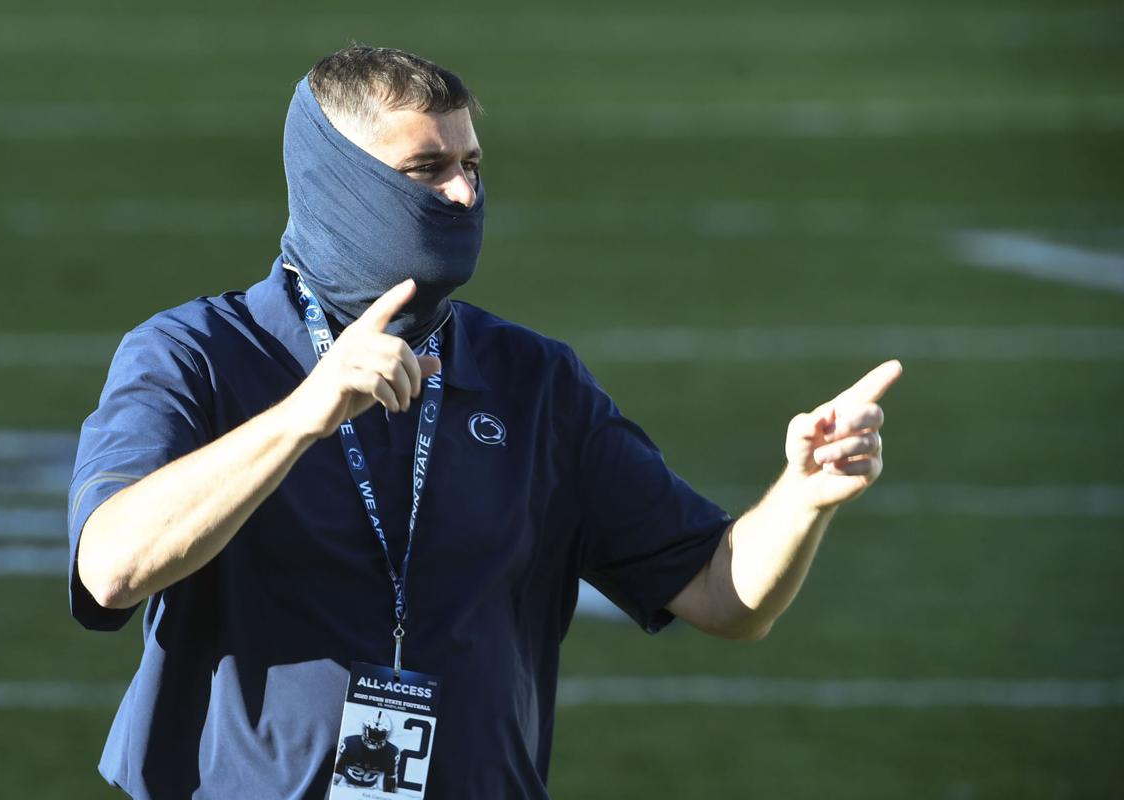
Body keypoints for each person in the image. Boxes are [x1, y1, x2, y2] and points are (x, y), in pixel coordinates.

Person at [67, 45, 901, 799]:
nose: (465, 193)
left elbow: (726, 597)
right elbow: (111, 566)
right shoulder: (196, 353)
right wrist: (301, 417)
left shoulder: (534, 380)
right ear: (341, 183)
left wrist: (802, 495)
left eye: (472, 163)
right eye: (427, 168)